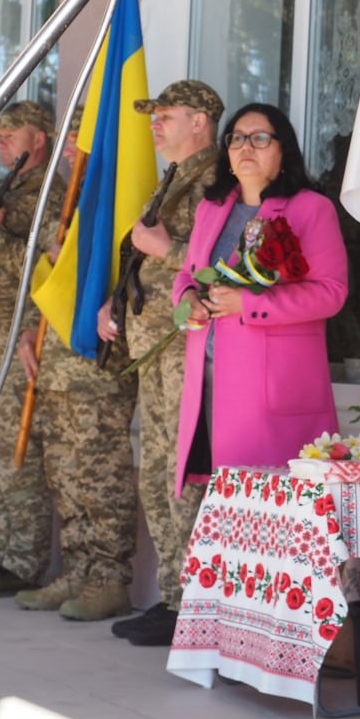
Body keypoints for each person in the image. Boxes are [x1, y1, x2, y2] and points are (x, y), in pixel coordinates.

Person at [97, 79, 223, 646]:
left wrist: (163, 250)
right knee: (158, 472)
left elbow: (219, 264)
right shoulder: (171, 181)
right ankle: (173, 597)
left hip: (186, 347)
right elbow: (141, 258)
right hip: (153, 346)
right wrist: (114, 302)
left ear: (200, 120)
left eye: (165, 114)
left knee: (183, 472)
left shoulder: (217, 181)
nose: (155, 122)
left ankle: (193, 604)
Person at [172, 104, 348, 498]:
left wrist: (248, 305)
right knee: (223, 504)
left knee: (270, 509)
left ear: (283, 150)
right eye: (236, 138)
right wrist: (189, 300)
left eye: (260, 138)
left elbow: (330, 293)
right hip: (209, 377)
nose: (246, 147)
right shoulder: (212, 208)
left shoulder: (311, 209)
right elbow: (187, 274)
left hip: (272, 388)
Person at [13, 110, 139, 622]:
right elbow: (40, 275)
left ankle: (109, 578)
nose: (71, 147)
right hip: (56, 365)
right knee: (65, 475)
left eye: (82, 135)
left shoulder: (125, 202)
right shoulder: (63, 203)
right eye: (69, 136)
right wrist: (28, 328)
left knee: (99, 475)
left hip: (97, 367)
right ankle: (80, 570)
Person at [0, 101, 59, 597]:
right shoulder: (7, 191)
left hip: (13, 336)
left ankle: (23, 559)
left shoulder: (52, 194)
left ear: (38, 139)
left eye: (9, 133)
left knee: (14, 452)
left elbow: (49, 266)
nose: (0, 142)